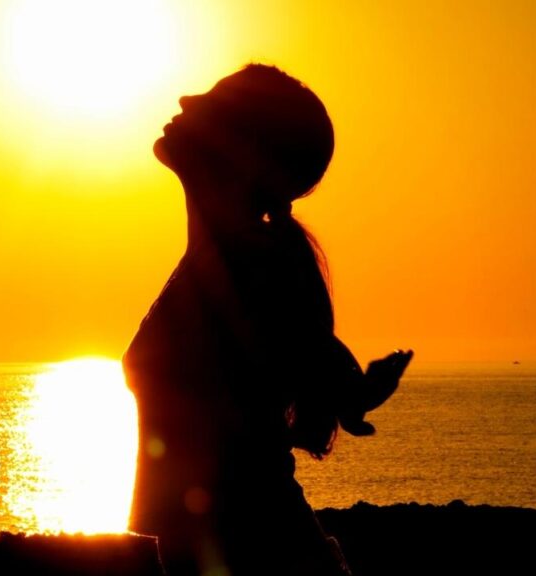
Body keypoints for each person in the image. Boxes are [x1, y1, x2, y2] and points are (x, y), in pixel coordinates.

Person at [122, 64, 413, 576]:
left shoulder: (252, 267)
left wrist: (349, 389)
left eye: (215, 100)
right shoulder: (227, 263)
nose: (188, 99)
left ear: (246, 148)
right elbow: (310, 347)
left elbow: (308, 345)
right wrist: (350, 390)